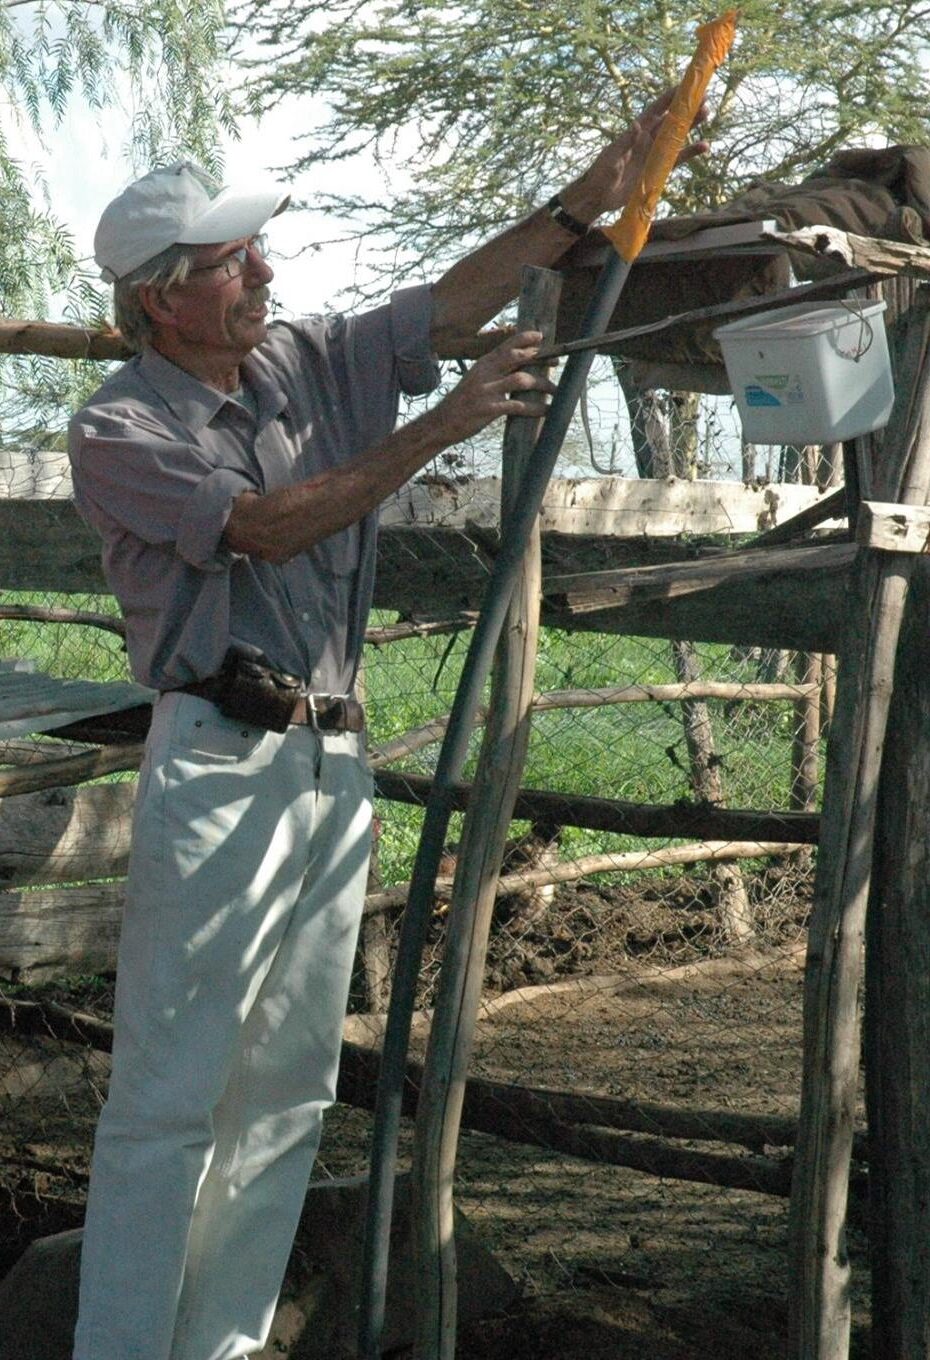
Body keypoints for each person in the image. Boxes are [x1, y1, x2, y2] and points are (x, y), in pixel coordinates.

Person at [68, 93, 707, 1360]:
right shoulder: (119, 425)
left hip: (328, 762)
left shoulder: (301, 357)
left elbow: (441, 310)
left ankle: (223, 1347)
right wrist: (442, 426)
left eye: (255, 251)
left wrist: (579, 203)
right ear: (161, 299)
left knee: (289, 1092)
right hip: (219, 769)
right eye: (232, 262)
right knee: (169, 1098)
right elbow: (263, 525)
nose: (264, 272)